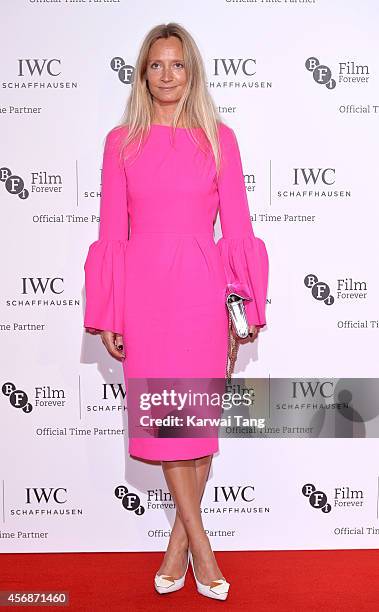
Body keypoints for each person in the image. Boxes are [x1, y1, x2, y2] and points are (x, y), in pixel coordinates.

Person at [83, 22, 269, 602]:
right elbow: (112, 229)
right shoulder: (121, 142)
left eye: (178, 64)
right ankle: (201, 548)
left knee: (197, 423)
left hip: (203, 291)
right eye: (156, 65)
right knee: (169, 423)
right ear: (142, 74)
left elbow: (237, 228)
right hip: (146, 294)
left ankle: (176, 546)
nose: (167, 75)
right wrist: (111, 312)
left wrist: (242, 308)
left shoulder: (220, 137)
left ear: (193, 72)